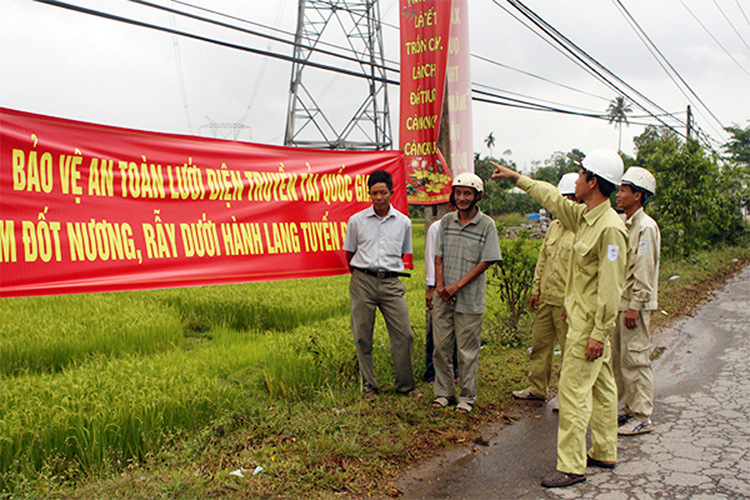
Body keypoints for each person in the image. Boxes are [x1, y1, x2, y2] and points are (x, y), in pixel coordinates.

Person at [492, 147, 627, 488]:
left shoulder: (610, 229)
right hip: (584, 321)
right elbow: (552, 198)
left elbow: (611, 289)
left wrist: (599, 332)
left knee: (572, 391)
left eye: (582, 175)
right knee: (603, 386)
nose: (577, 180)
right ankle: (605, 450)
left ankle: (571, 466)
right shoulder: (584, 217)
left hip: (589, 326)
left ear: (594, 182)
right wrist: (517, 178)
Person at [343, 169, 422, 402]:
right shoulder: (356, 221)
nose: (379, 197)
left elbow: (404, 252)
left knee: (404, 334)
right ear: (369, 194)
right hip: (362, 282)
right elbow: (350, 253)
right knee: (362, 336)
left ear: (392, 193)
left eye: (383, 192)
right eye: (374, 193)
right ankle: (369, 387)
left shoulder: (404, 223)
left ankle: (406, 386)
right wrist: (361, 275)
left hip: (391, 283)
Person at [431, 173, 502, 414]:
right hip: (444, 297)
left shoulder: (487, 225)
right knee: (440, 346)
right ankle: (444, 392)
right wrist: (441, 287)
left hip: (469, 299)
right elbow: (438, 255)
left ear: (477, 196)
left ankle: (467, 397)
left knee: (467, 350)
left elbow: (486, 261)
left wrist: (457, 286)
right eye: (458, 193)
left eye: (467, 193)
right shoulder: (446, 221)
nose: (461, 198)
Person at [512, 173, 578, 406]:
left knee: (569, 349)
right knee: (540, 345)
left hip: (566, 301)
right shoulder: (554, 227)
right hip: (547, 298)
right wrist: (535, 290)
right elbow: (543, 260)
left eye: (570, 198)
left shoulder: (581, 228)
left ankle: (565, 395)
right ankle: (537, 387)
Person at [613, 167, 661, 436]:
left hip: (634, 305)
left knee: (636, 358)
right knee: (620, 359)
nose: (618, 195)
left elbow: (644, 269)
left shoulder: (646, 227)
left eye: (623, 190)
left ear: (638, 195)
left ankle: (642, 415)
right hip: (622, 303)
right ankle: (629, 407)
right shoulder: (626, 224)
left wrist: (635, 305)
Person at [424, 203, 459, 384]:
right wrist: (432, 288)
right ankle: (431, 372)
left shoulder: (470, 227)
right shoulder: (437, 227)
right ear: (451, 206)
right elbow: (431, 258)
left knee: (459, 331)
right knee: (436, 331)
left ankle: (455, 372)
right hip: (440, 287)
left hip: (460, 286)